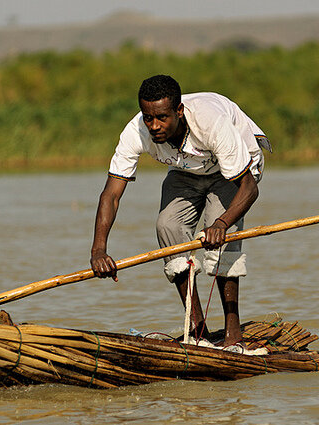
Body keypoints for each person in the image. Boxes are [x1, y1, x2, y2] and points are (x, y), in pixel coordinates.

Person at [90, 75, 270, 347]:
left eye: (162, 117)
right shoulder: (135, 131)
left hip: (234, 171)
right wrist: (98, 250)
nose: (154, 126)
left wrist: (221, 223)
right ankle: (199, 333)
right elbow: (111, 195)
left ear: (179, 111)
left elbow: (249, 189)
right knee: (167, 226)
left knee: (219, 233)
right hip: (187, 169)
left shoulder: (211, 122)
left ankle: (234, 334)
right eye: (148, 117)